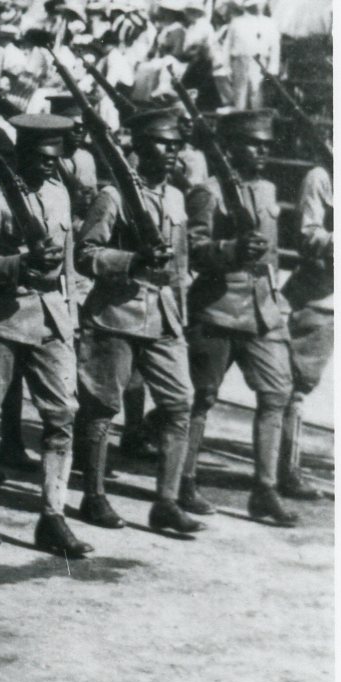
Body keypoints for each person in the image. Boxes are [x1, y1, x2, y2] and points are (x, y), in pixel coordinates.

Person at [0, 114, 91, 559]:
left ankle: (53, 516)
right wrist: (16, 265)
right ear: (19, 155)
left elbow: (70, 263)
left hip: (52, 319)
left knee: (61, 415)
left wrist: (72, 316)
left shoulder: (58, 194)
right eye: (40, 159)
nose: (49, 167)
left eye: (55, 159)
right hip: (1, 317)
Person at [72, 105, 202, 536]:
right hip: (117, 315)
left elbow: (180, 264)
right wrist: (132, 260)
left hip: (164, 317)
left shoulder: (177, 197)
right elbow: (85, 254)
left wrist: (181, 313)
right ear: (142, 147)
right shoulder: (114, 197)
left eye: (177, 146)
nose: (172, 152)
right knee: (101, 408)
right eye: (163, 144)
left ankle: (165, 502)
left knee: (180, 402)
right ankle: (93, 495)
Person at [185, 109, 300, 527]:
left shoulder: (269, 189)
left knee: (276, 394)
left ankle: (264, 489)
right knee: (202, 398)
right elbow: (194, 249)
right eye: (255, 144)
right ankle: (184, 479)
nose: (263, 151)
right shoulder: (207, 192)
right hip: (217, 307)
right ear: (231, 147)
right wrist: (231, 250)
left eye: (268, 145)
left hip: (263, 311)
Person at [280, 161, 331, 499]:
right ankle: (286, 471)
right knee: (296, 383)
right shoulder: (322, 177)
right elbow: (306, 235)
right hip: (322, 297)